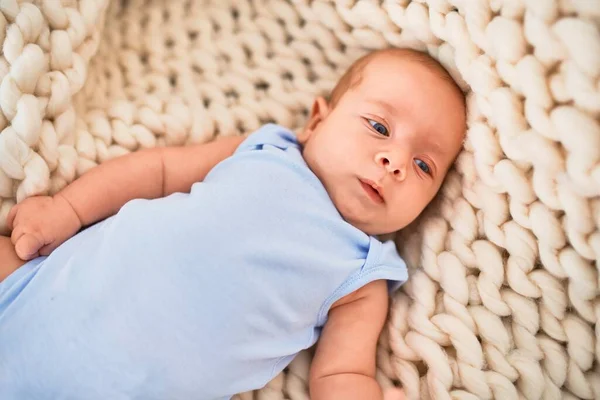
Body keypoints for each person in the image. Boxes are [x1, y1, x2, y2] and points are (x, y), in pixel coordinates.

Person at [0, 48, 466, 399]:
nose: (396, 161)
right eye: (380, 128)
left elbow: (341, 374)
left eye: (424, 166)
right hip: (36, 291)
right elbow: (159, 171)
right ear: (316, 121)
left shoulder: (363, 273)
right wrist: (69, 209)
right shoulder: (266, 151)